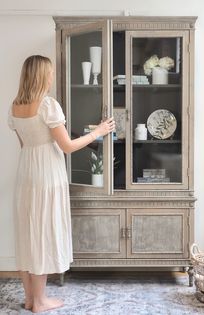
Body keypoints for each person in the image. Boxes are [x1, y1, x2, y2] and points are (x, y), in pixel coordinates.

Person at [8, 55, 115, 313]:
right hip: (47, 174)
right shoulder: (47, 105)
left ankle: (30, 298)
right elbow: (66, 146)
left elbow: (25, 145)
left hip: (26, 173)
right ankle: (41, 302)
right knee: (43, 233)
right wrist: (97, 133)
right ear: (44, 75)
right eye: (51, 72)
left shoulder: (15, 106)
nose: (53, 75)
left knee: (27, 234)